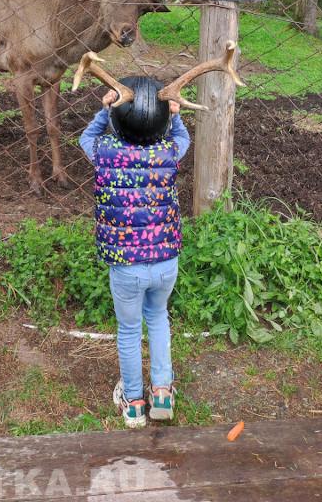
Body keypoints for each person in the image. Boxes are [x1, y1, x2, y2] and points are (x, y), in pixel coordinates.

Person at [79, 88, 190, 428]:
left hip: (127, 268)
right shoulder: (169, 152)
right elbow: (183, 136)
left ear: (117, 120)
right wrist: (174, 114)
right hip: (165, 264)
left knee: (128, 330)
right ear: (159, 122)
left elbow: (87, 135)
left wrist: (105, 109)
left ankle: (133, 402)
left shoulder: (106, 153)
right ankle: (161, 394)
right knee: (158, 319)